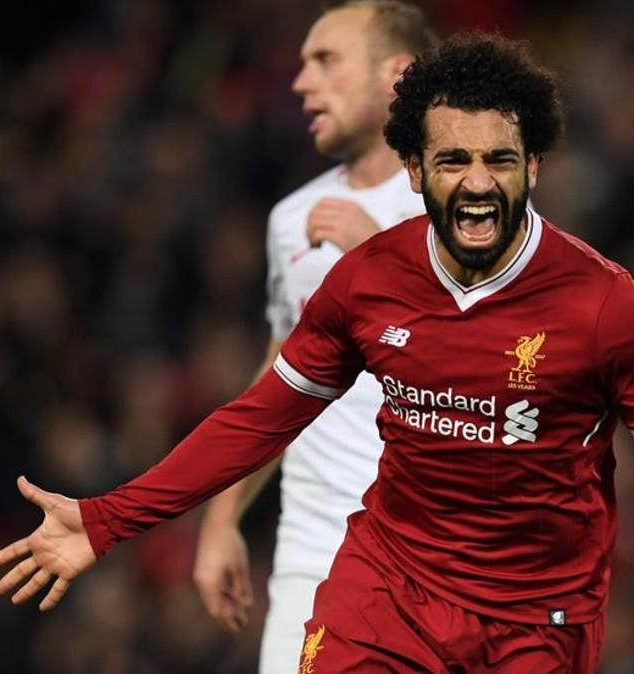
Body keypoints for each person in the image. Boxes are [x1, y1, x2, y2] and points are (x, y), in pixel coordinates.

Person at [0, 34, 634, 674]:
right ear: (416, 170)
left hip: (537, 624)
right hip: (390, 589)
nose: (479, 182)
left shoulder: (606, 306)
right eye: (453, 160)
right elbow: (258, 420)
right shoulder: (368, 283)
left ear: (534, 164)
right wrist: (108, 520)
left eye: (501, 159)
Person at [190, 2, 436, 672]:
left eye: (326, 60)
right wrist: (220, 519)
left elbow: (508, 360)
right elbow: (282, 378)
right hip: (313, 556)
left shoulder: (472, 203)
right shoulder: (291, 219)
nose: (301, 82)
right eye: (301, 64)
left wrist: (380, 256)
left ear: (398, 75)